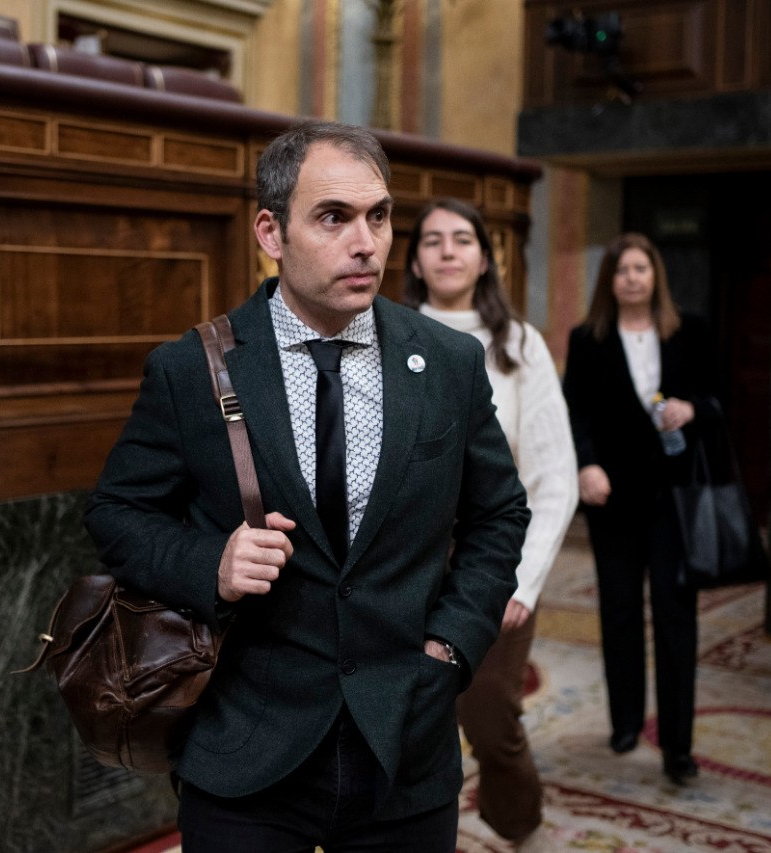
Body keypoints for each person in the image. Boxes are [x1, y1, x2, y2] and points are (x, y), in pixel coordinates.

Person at [84, 120, 530, 852]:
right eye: (334, 217)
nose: (367, 243)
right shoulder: (192, 368)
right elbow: (117, 513)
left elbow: (499, 515)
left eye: (379, 216)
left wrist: (450, 647)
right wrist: (211, 564)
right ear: (271, 230)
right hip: (247, 746)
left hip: (405, 741)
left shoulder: (447, 362)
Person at [402, 198, 577, 848]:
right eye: (433, 240)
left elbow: (555, 476)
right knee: (411, 714)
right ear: (416, 259)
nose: (447, 251)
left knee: (489, 711)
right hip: (405, 564)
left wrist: (522, 583)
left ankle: (519, 824)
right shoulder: (383, 331)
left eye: (462, 239)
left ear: (484, 256)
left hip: (492, 561)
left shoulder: (518, 344)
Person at [561, 232, 719, 786]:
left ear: (655, 276)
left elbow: (719, 401)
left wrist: (691, 408)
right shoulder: (588, 338)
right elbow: (573, 412)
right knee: (620, 612)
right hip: (613, 499)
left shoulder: (690, 330)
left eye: (641, 268)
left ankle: (678, 747)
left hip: (675, 501)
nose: (632, 277)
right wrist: (585, 465)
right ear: (610, 280)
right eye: (622, 269)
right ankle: (625, 723)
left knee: (677, 621)